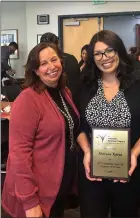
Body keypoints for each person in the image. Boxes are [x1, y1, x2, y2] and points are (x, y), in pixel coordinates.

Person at [76, 30, 140, 218]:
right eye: (98, 53)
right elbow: (78, 126)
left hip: (130, 170)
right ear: (91, 57)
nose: (105, 58)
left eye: (109, 51)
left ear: (119, 51)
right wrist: (87, 152)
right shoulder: (85, 84)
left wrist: (133, 154)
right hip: (93, 170)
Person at [2, 42, 80, 218]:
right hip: (36, 194)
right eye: (43, 63)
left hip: (58, 187)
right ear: (36, 70)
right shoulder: (27, 100)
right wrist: (30, 202)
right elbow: (19, 154)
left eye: (54, 60)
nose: (51, 66)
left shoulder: (64, 92)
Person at [40, 32, 80, 105]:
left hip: (54, 100)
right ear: (58, 43)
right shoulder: (71, 58)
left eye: (54, 60)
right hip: (75, 99)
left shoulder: (42, 63)